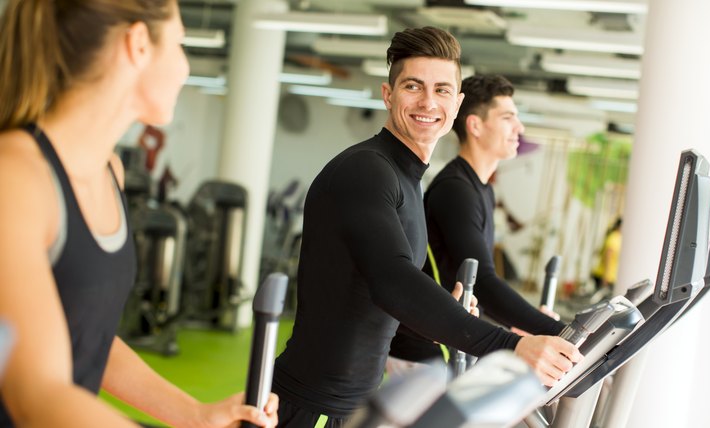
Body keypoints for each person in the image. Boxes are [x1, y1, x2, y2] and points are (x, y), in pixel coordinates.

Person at [271, 27, 582, 428]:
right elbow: (393, 281)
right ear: (388, 94)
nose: (428, 102)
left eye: (442, 90)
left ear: (457, 104)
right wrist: (514, 345)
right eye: (413, 86)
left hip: (350, 405)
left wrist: (444, 312)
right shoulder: (367, 170)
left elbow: (380, 297)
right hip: (310, 404)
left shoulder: (408, 180)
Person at [0, 1, 277, 427]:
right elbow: (40, 393)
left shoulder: (108, 171)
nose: (185, 66)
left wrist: (195, 415)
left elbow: (88, 337)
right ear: (138, 44)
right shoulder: (16, 175)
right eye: (180, 44)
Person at [388, 74, 567, 366]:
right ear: (475, 125)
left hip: (447, 344)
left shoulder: (480, 188)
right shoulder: (455, 190)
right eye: (508, 117)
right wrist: (560, 332)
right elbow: (483, 281)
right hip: (423, 353)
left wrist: (527, 324)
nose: (518, 128)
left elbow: (476, 282)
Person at [590, 217, 623, 302]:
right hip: (606, 276)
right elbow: (607, 256)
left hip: (610, 276)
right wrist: (606, 276)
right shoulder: (614, 237)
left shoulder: (618, 237)